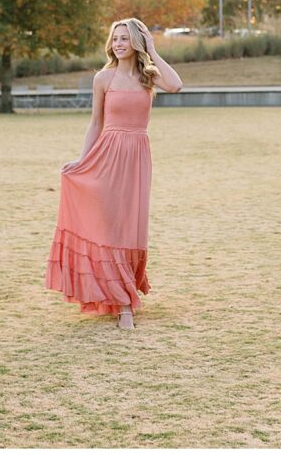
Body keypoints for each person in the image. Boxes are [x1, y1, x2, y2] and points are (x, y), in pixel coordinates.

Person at [45, 18, 183, 330]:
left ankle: (123, 293)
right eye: (115, 38)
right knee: (110, 228)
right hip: (106, 155)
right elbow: (95, 123)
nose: (119, 43)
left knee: (129, 228)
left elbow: (175, 85)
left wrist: (153, 49)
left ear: (136, 42)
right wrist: (83, 161)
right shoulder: (103, 78)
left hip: (136, 157)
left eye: (125, 38)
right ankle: (123, 306)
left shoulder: (149, 75)